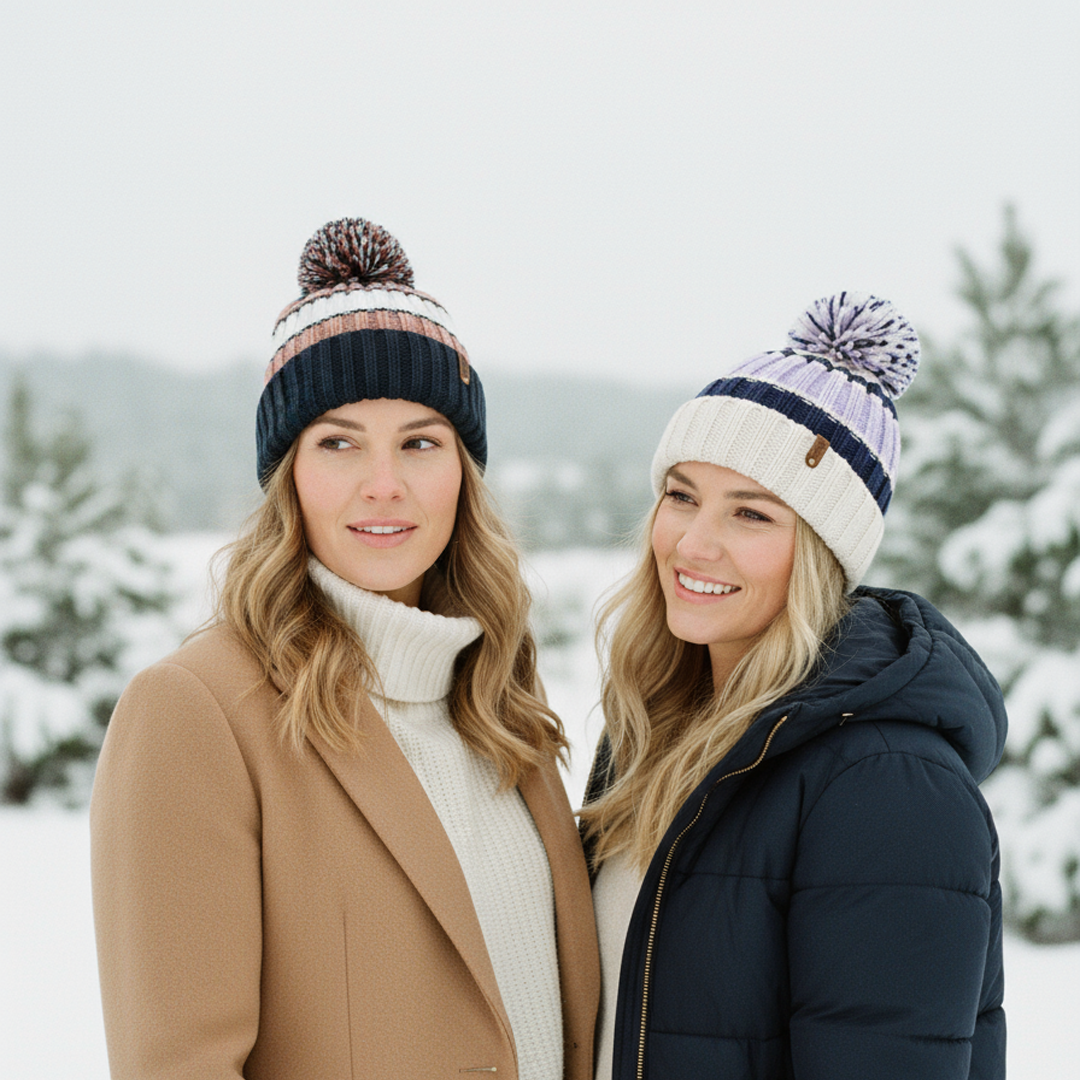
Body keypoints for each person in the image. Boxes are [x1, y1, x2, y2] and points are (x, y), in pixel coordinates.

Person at [91, 218, 599, 1080]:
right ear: (288, 470)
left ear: (463, 474)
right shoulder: (198, 712)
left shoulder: (496, 701)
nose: (384, 485)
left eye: (420, 442)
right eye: (338, 442)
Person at [581, 293, 1006, 1080]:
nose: (694, 543)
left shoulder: (888, 782)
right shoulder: (658, 728)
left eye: (751, 515)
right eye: (681, 496)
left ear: (821, 552)